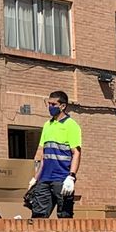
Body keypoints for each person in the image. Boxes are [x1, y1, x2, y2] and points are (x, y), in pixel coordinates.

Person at [28, 90, 82, 218]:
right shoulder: (47, 125)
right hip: (44, 179)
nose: (50, 107)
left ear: (62, 106)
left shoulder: (71, 126)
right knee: (38, 216)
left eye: (53, 104)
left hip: (62, 178)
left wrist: (71, 176)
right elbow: (44, 156)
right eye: (49, 104)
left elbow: (76, 153)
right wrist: (36, 178)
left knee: (64, 216)